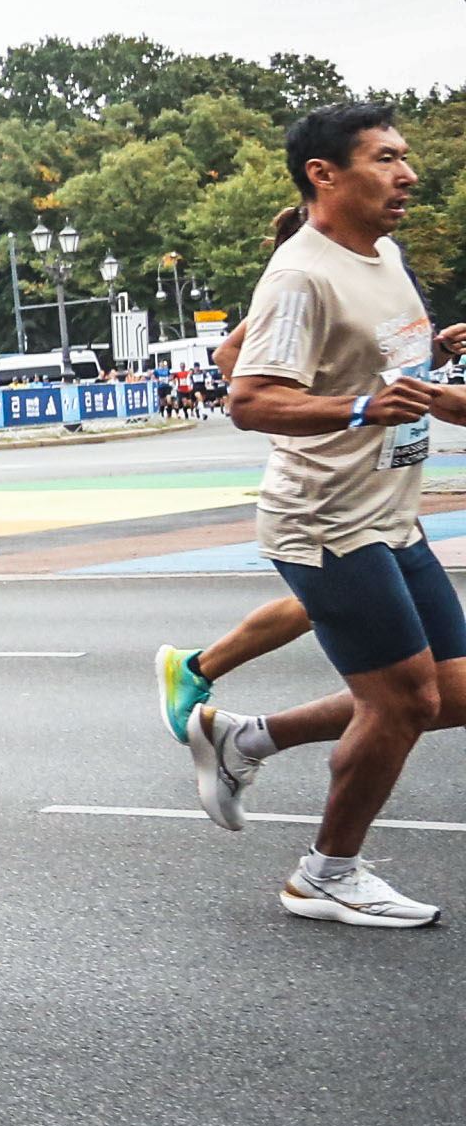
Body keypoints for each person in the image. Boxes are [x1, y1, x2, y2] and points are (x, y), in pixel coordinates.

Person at [182, 104, 466, 927]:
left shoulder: (383, 255)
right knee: (404, 703)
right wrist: (360, 410)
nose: (408, 172)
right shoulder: (300, 273)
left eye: (405, 156)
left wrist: (430, 361)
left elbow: (371, 361)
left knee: (448, 693)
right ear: (325, 175)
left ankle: (247, 739)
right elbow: (249, 397)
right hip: (328, 523)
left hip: (388, 515)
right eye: (386, 158)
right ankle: (326, 873)